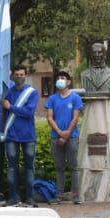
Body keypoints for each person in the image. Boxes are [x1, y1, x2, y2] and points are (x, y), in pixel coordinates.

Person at [2, 64, 39, 207]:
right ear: (13, 76)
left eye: (21, 75)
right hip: (11, 135)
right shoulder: (8, 93)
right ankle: (13, 198)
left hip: (28, 135)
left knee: (29, 168)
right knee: (12, 168)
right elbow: (3, 112)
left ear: (26, 76)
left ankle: (30, 198)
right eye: (17, 75)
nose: (19, 77)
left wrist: (11, 107)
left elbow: (28, 112)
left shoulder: (32, 93)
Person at [44, 71, 83, 204]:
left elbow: (75, 118)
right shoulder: (52, 99)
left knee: (74, 166)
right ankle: (59, 195)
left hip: (72, 137)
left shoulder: (75, 98)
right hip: (56, 137)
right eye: (58, 78)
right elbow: (49, 117)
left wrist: (66, 134)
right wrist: (60, 132)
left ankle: (76, 195)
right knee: (59, 167)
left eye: (63, 78)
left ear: (68, 82)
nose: (60, 80)